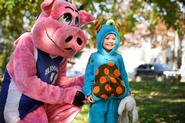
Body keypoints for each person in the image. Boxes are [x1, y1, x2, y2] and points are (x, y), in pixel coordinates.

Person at [0, 0, 94, 123]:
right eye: (66, 18)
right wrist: (66, 95)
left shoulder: (60, 55)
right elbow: (27, 83)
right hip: (17, 107)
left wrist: (89, 77)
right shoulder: (27, 42)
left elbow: (61, 84)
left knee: (77, 94)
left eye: (75, 24)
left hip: (38, 105)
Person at [83, 19, 131, 123]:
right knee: (96, 120)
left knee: (112, 120)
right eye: (107, 38)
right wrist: (88, 92)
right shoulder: (94, 57)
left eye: (113, 38)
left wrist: (127, 90)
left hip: (114, 99)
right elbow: (88, 76)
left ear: (117, 40)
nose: (110, 41)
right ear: (101, 39)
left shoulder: (118, 58)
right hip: (97, 98)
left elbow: (123, 75)